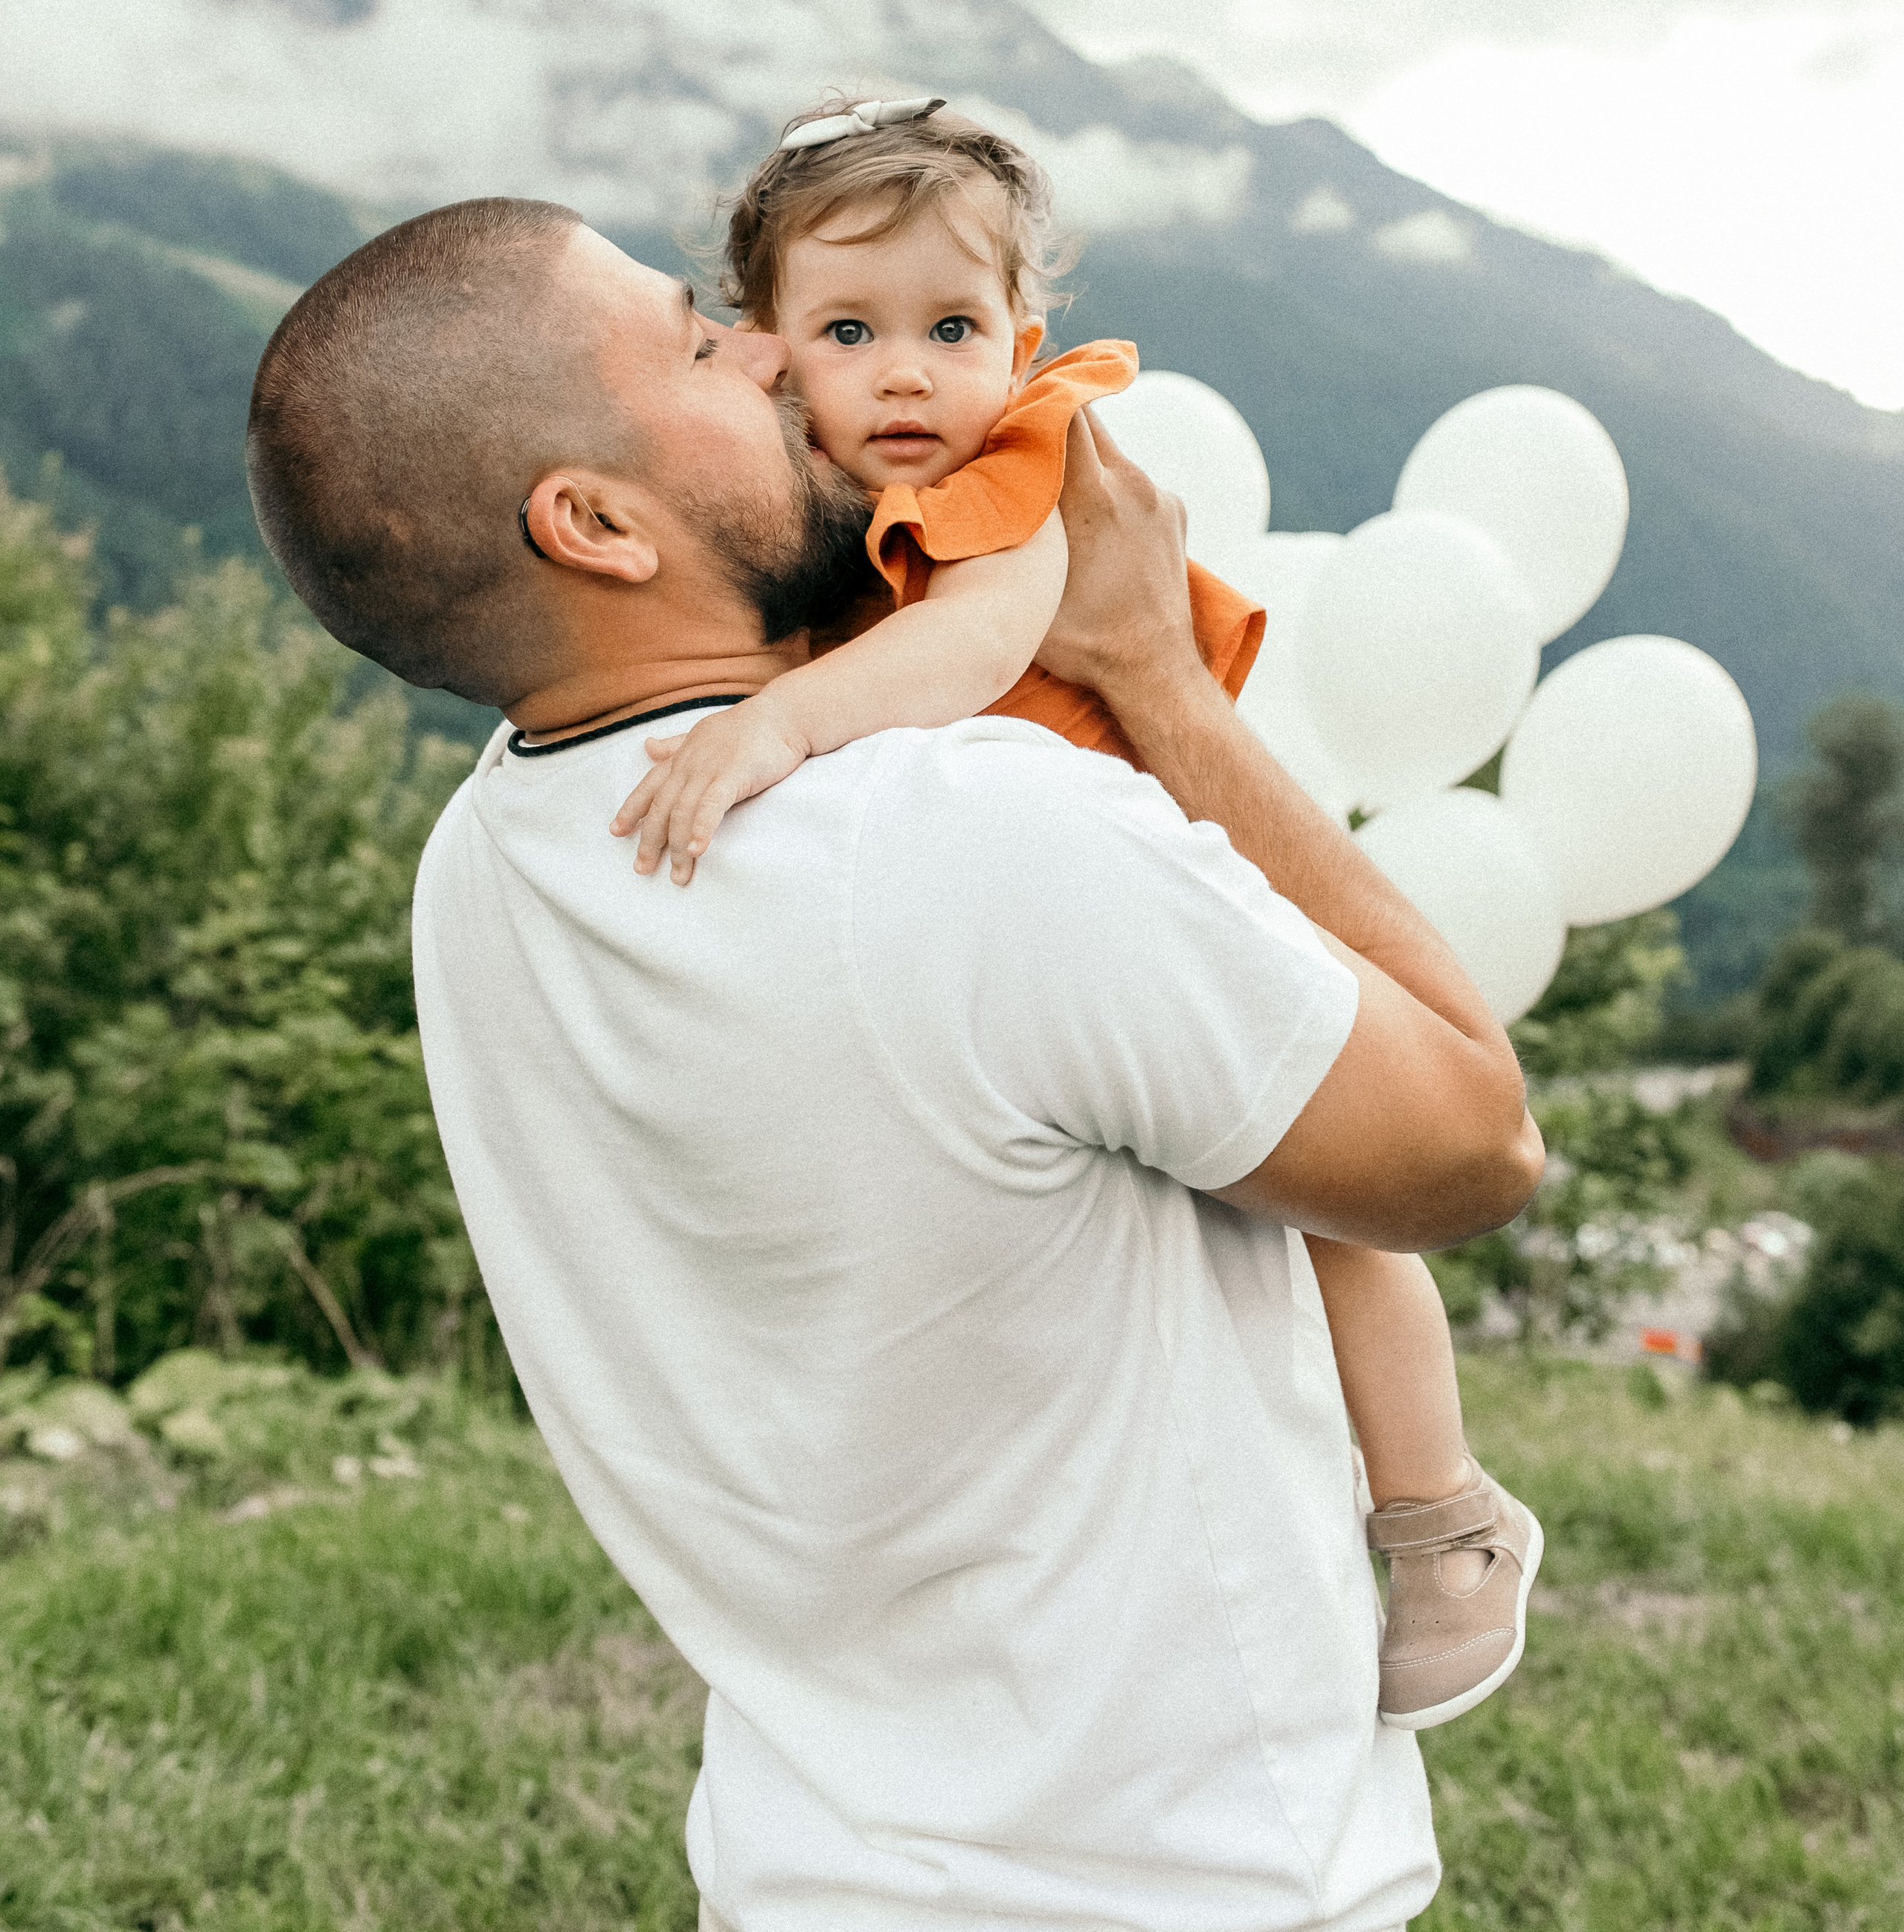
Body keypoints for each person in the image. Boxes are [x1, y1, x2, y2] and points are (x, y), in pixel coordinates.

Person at [245, 194, 1543, 1932]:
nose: (779, 349)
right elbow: (1469, 1151)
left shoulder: (481, 864)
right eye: (707, 347)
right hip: (1186, 1885)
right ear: (596, 523)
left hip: (802, 1872)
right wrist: (1159, 681)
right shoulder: (974, 836)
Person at [614, 96, 1544, 1736]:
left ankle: (1441, 1511)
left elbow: (968, 653)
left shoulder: (1018, 471)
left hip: (1164, 852)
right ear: (766, 354)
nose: (907, 374)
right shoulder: (812, 503)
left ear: (1021, 339)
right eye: (849, 331)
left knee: (1331, 1210)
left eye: (952, 328)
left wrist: (771, 724)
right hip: (1029, 939)